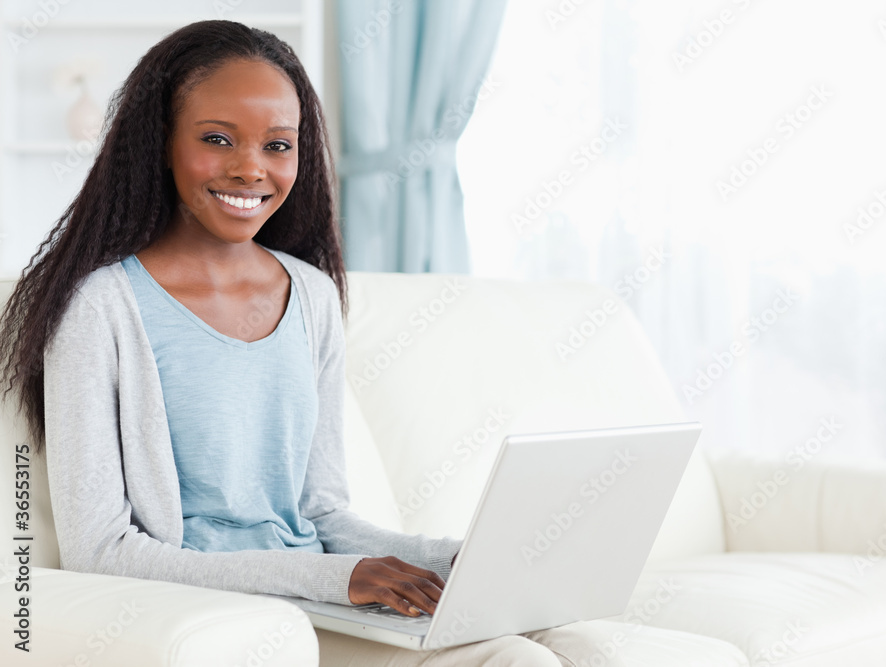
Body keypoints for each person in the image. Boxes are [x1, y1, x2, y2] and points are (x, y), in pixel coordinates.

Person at [0, 20, 627, 666]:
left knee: (533, 651)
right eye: (217, 139)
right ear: (160, 141)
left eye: (278, 144)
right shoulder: (99, 307)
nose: (250, 168)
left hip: (318, 607)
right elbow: (100, 548)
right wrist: (337, 579)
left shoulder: (313, 296)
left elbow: (322, 514)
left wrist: (458, 557)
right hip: (209, 620)